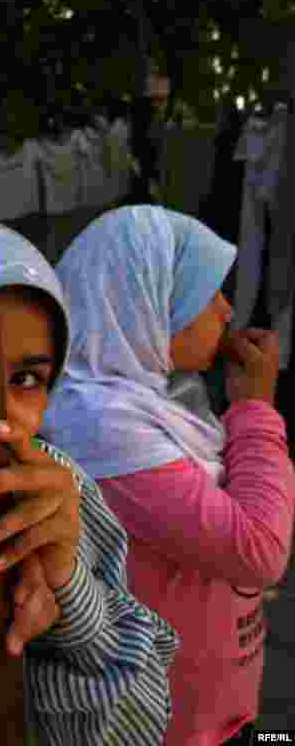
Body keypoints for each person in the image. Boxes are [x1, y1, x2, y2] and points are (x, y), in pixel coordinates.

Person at [43, 205, 295, 745]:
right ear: (147, 298)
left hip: (216, 711)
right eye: (208, 294)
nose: (226, 311)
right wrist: (256, 409)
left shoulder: (159, 399)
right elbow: (259, 548)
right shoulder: (101, 424)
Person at [0, 222, 181, 745]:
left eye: (26, 380)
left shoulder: (58, 490)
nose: (0, 416)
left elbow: (138, 729)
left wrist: (68, 588)